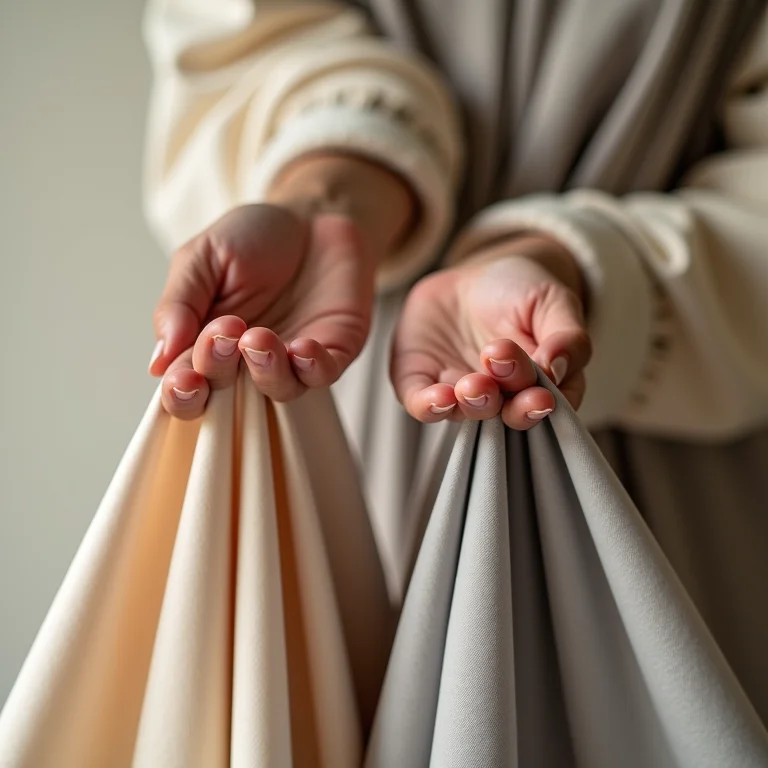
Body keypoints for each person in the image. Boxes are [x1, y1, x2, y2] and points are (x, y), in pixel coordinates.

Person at [143, 0, 768, 725]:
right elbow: (242, 39)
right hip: (352, 388)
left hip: (679, 426)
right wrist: (327, 201)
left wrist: (572, 266)